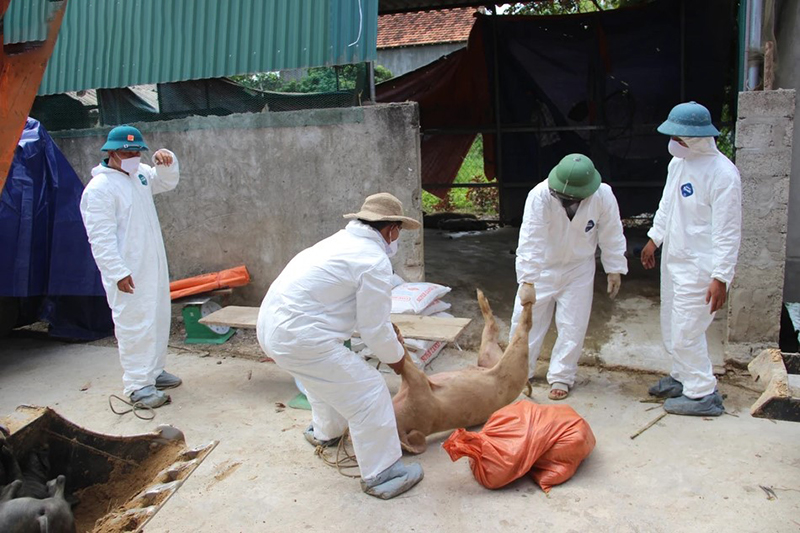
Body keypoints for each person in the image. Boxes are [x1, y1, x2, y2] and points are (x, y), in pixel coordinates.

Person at [257, 193, 424, 500]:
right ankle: (382, 473)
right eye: (399, 230)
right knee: (369, 391)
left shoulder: (337, 242)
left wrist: (384, 329)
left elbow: (361, 314)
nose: (398, 237)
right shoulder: (373, 261)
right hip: (298, 335)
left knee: (323, 380)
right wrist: (402, 365)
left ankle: (326, 432)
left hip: (272, 328)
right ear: (391, 230)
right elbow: (374, 331)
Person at [641, 101, 741, 417]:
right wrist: (654, 239)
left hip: (701, 267)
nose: (673, 143)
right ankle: (683, 376)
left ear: (696, 138)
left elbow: (728, 230)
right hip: (676, 259)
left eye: (679, 138)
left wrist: (721, 276)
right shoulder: (679, 164)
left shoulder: (723, 174)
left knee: (687, 330)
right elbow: (667, 204)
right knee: (672, 324)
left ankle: (703, 394)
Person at [80, 125, 182, 409]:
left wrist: (167, 162)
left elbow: (165, 182)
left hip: (152, 263)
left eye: (137, 151)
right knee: (134, 323)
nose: (133, 156)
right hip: (128, 270)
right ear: (111, 152)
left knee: (158, 316)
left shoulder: (138, 176)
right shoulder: (100, 189)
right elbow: (99, 237)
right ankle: (138, 385)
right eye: (127, 152)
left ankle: (154, 372)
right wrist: (116, 272)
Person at [510, 154, 627, 400]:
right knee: (525, 321)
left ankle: (562, 375)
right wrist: (528, 280)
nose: (567, 201)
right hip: (543, 266)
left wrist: (614, 267)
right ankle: (519, 373)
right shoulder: (540, 195)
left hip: (579, 268)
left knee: (573, 323)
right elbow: (531, 239)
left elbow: (612, 232)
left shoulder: (603, 196)